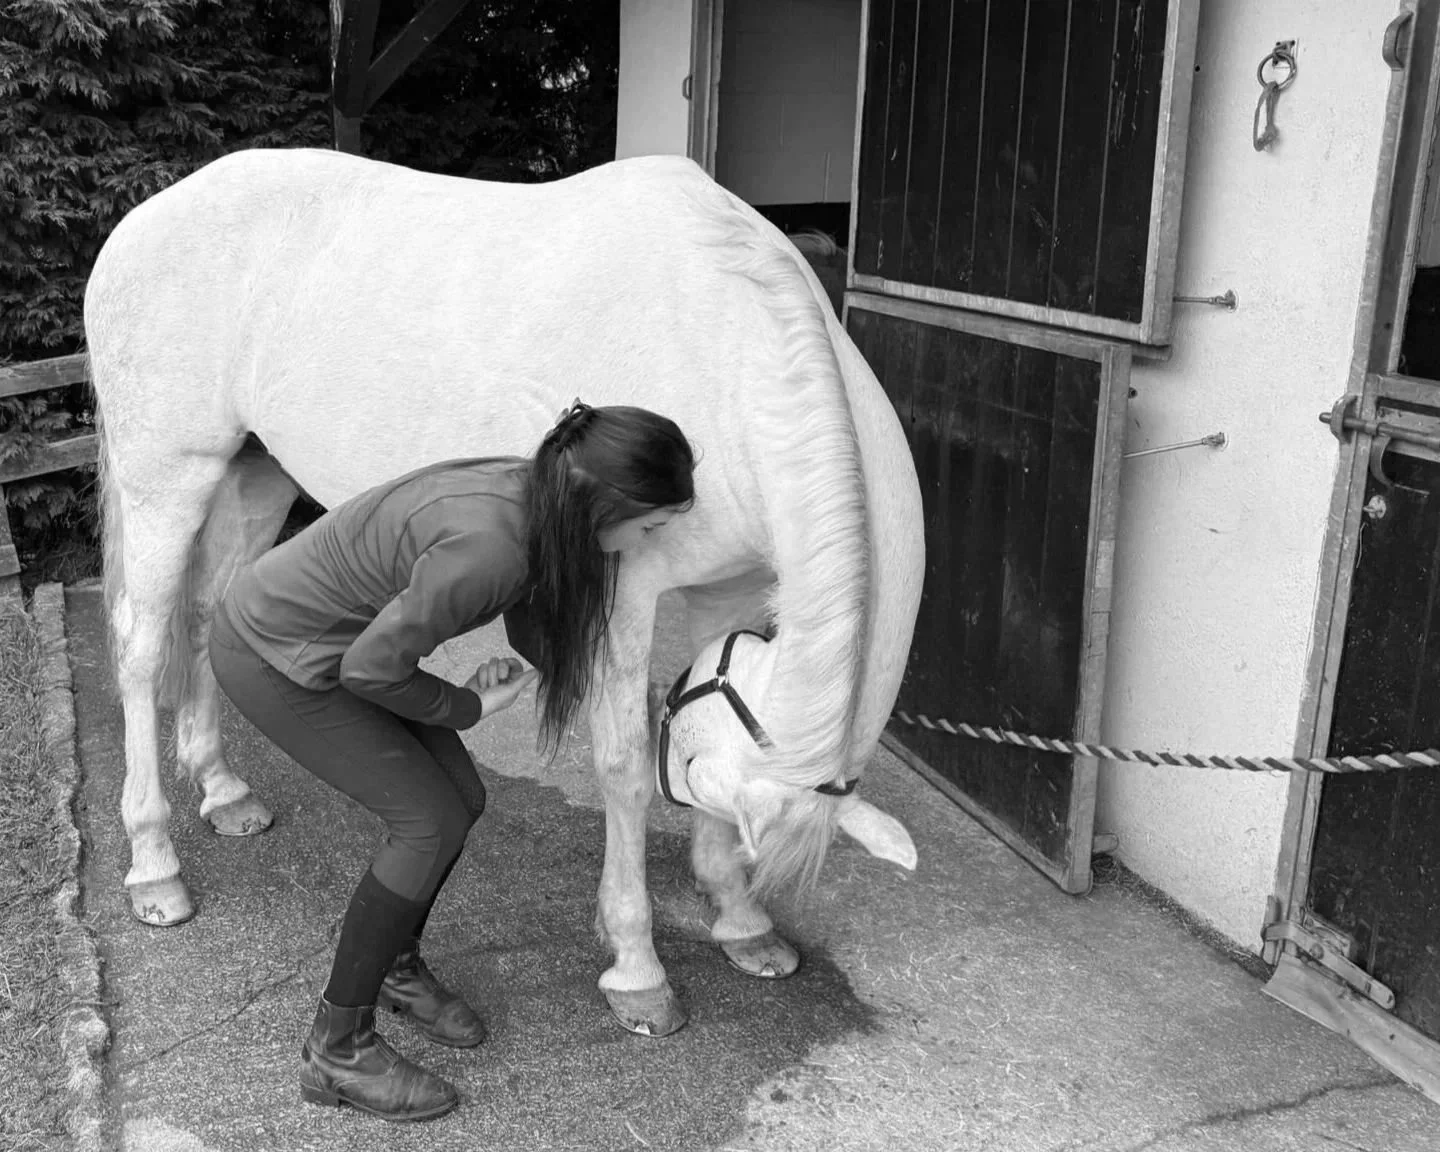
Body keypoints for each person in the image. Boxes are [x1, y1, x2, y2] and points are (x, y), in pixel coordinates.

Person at [208, 400, 695, 1122]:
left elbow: (525, 605)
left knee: (460, 800)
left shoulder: (539, 495)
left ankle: (398, 969)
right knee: (427, 822)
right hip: (277, 655)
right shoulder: (493, 547)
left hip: (341, 648)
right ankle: (335, 1050)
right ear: (606, 506)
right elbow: (373, 671)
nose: (649, 543)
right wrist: (467, 706)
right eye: (651, 527)